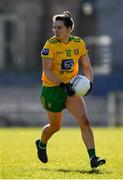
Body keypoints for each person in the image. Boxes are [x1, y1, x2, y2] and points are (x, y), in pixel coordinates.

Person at [35, 11, 106, 168]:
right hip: (52, 89)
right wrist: (62, 84)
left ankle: (93, 158)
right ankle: (41, 143)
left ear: (69, 29)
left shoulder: (78, 43)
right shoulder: (50, 45)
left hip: (70, 88)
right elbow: (47, 71)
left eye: (59, 27)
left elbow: (87, 67)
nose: (56, 30)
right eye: (54, 27)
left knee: (85, 121)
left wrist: (89, 84)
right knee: (55, 127)